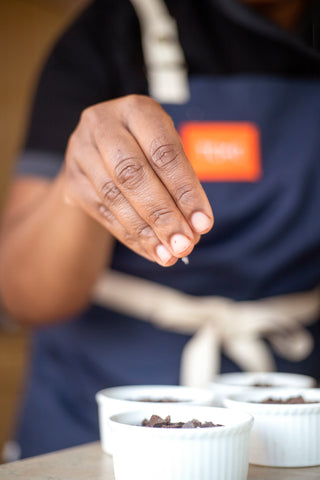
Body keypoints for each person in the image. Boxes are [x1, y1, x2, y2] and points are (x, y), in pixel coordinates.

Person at [0, 0, 320, 459]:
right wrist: (75, 187)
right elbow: (22, 294)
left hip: (290, 416)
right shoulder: (113, 28)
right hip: (93, 424)